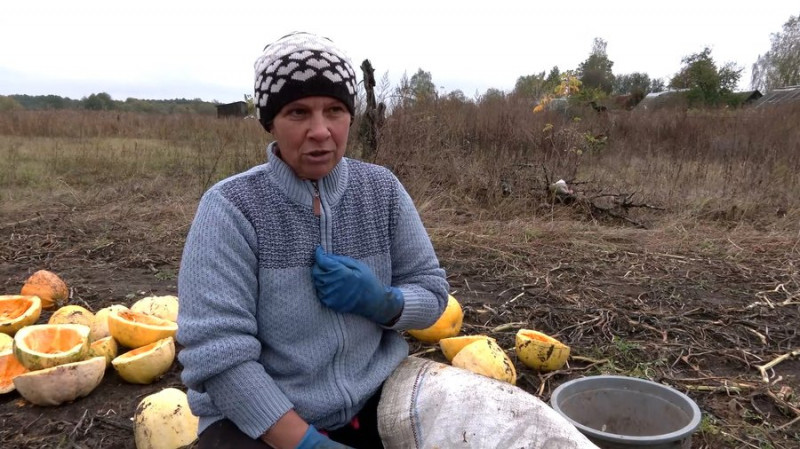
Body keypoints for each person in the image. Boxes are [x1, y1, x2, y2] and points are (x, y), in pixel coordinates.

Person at [176, 31, 449, 449]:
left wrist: (386, 301)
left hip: (373, 399)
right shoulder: (231, 208)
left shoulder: (382, 191)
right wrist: (306, 443)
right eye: (298, 112)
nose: (320, 131)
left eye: (335, 110)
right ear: (271, 122)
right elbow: (218, 355)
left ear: (351, 117)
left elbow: (432, 293)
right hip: (258, 420)